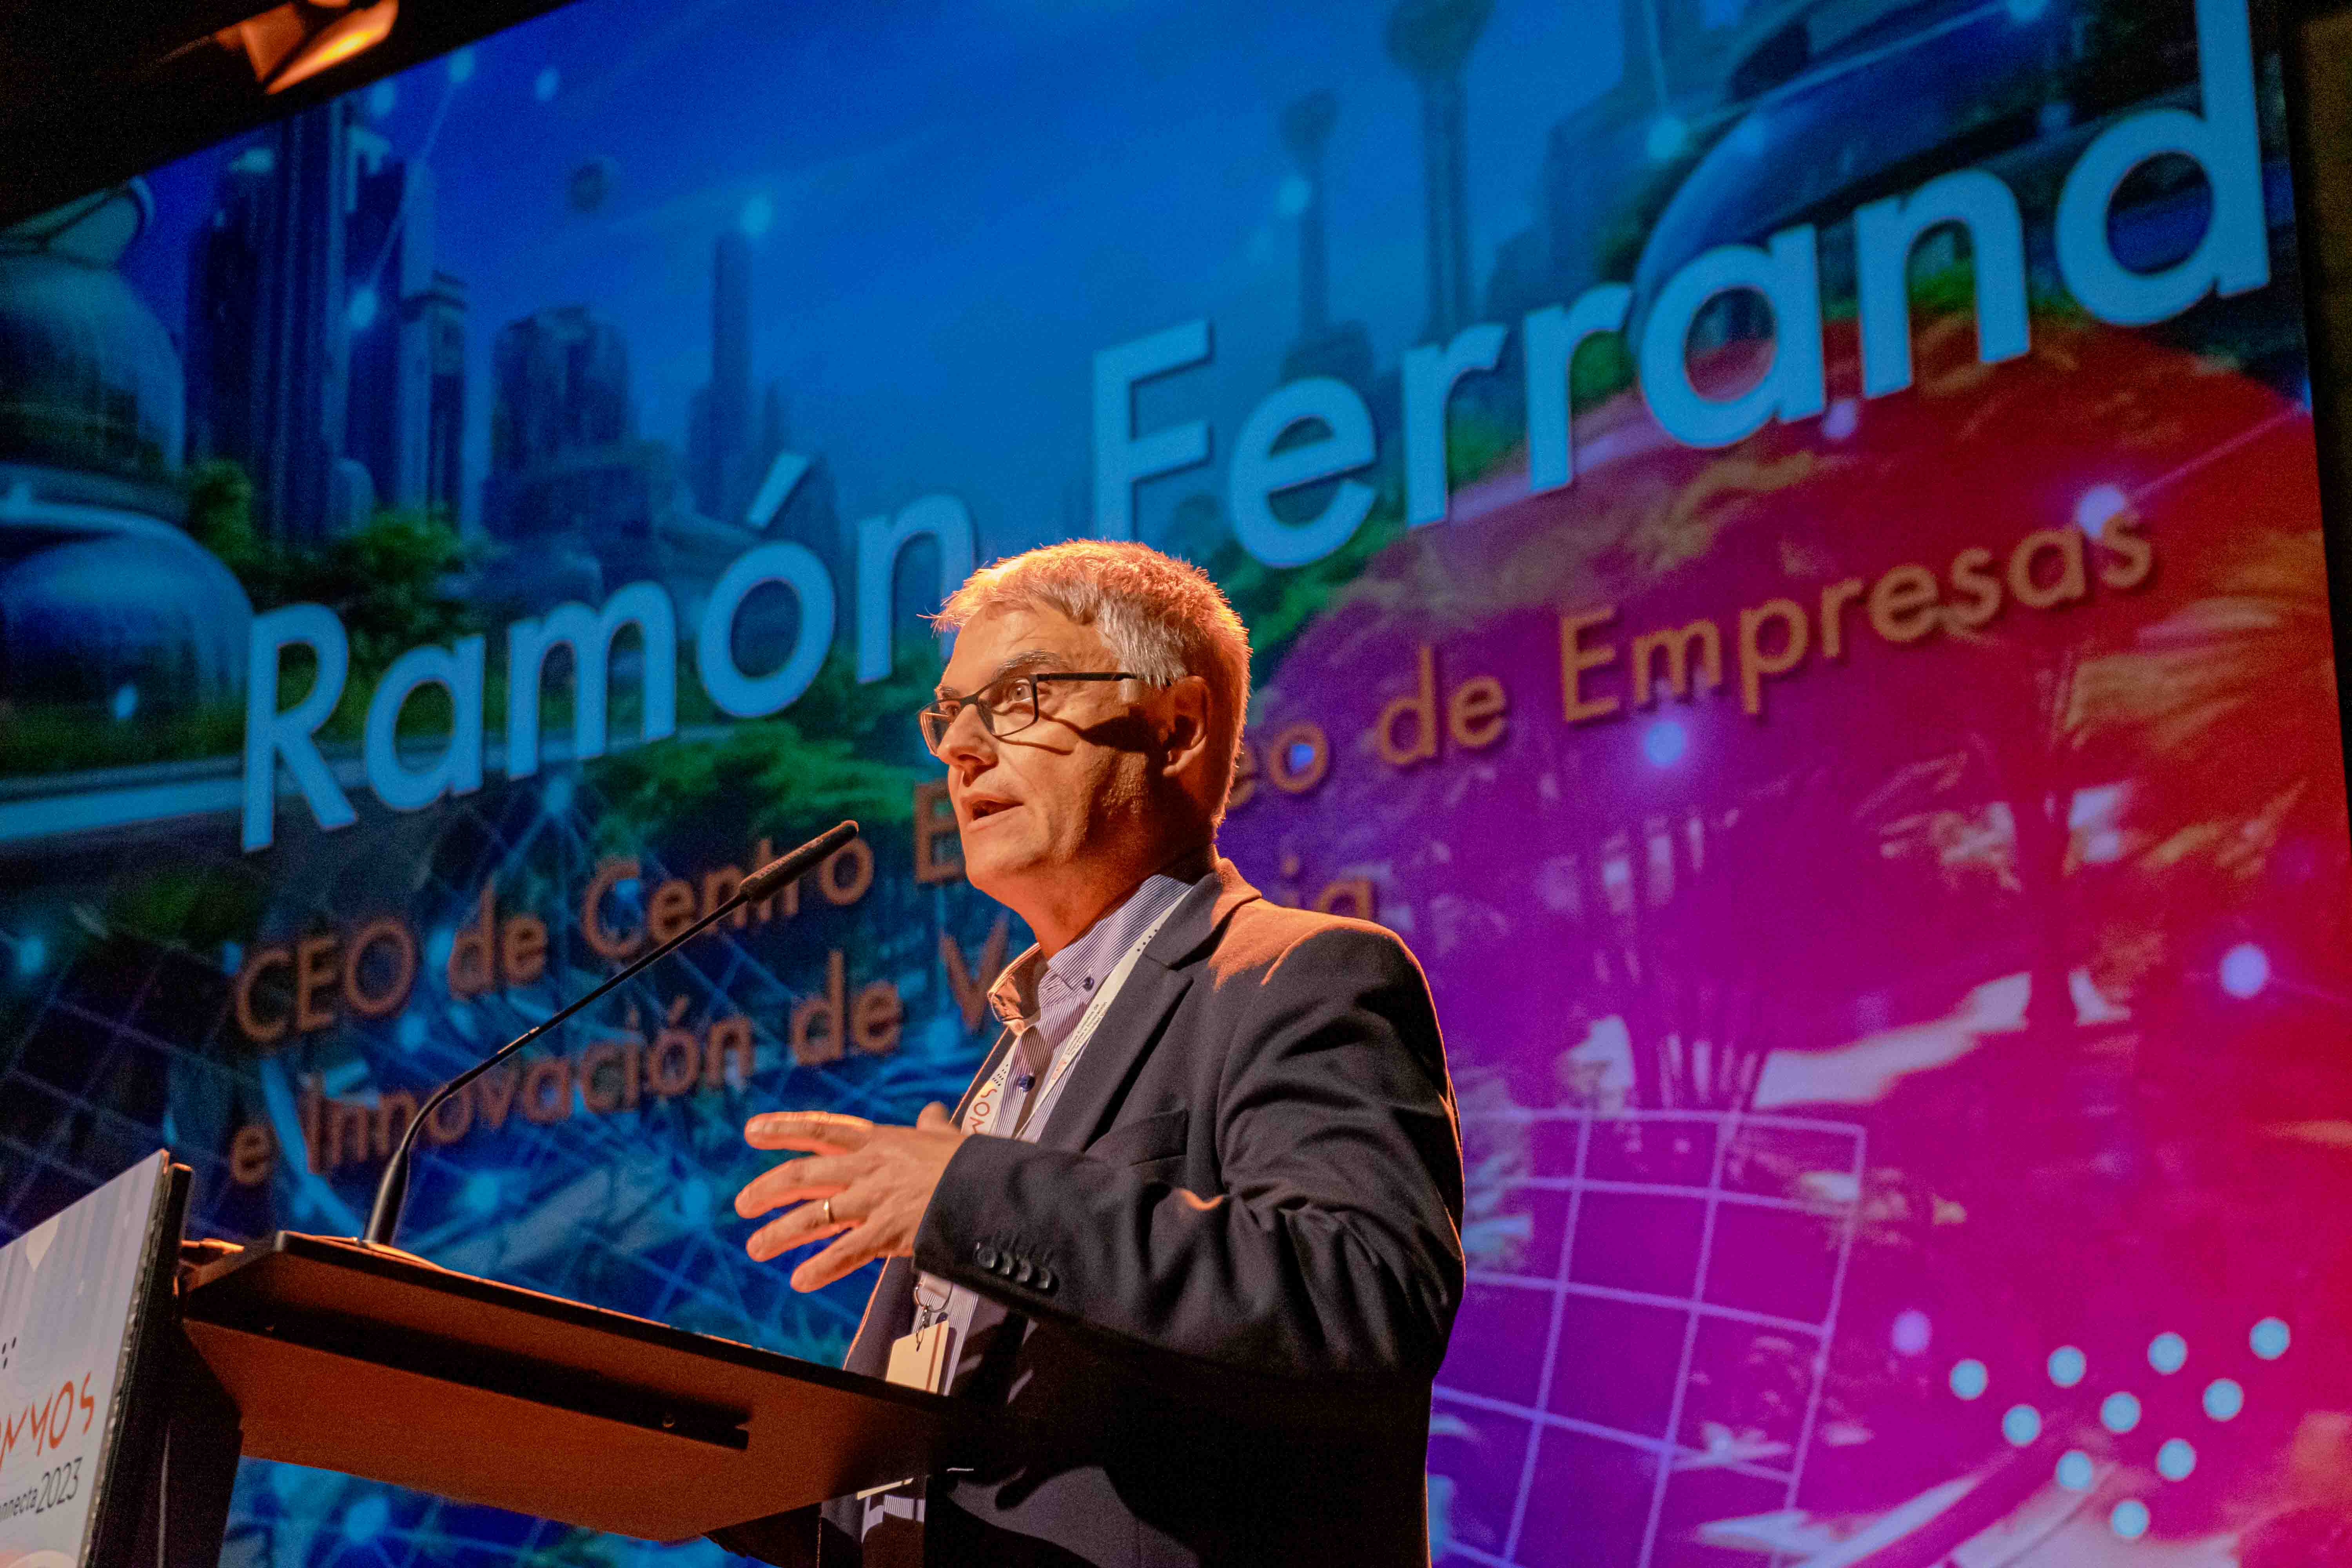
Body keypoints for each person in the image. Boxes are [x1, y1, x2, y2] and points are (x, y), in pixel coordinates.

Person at [717, 541, 1463, 1567]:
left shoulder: (1304, 976)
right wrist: (724, 1469)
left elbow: (1360, 1298)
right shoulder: (1022, 1050)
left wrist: (969, 1196)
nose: (960, 750)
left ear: (1178, 727)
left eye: (1016, 698)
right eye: (950, 714)